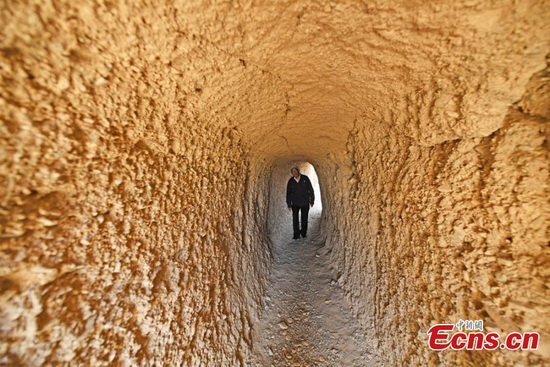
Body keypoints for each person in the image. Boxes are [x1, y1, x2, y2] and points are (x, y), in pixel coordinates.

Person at [286, 166, 315, 240]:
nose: (294, 173)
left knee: (304, 218)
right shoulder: (291, 181)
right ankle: (296, 234)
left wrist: (312, 200)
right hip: (295, 203)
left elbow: (310, 189)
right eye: (293, 172)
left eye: (295, 171)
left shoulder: (305, 179)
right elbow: (288, 193)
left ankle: (303, 233)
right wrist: (289, 203)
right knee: (295, 219)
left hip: (305, 202)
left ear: (298, 171)